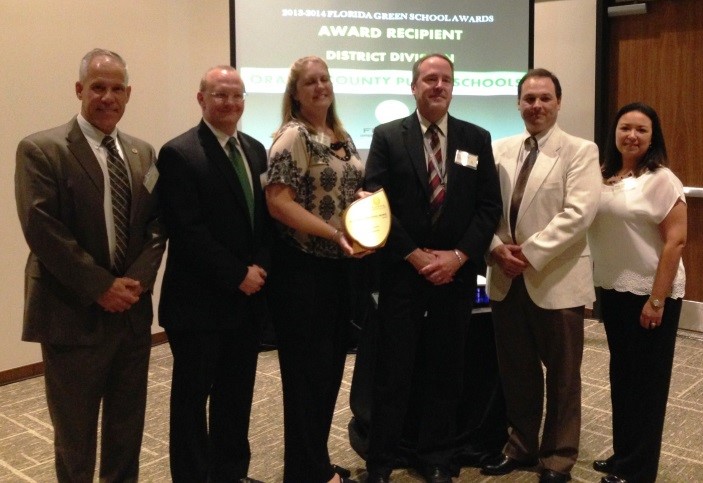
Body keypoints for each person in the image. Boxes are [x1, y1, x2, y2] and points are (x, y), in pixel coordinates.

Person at [14, 48, 166, 482]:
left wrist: (134, 283)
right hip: (71, 316)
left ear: (128, 93)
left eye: (117, 88)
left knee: (126, 431)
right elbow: (42, 230)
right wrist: (101, 286)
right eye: (98, 87)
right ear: (79, 89)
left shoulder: (142, 153)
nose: (108, 96)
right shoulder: (41, 149)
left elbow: (156, 226)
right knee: (75, 438)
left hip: (131, 317)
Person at [363, 53, 502, 483]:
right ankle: (381, 460)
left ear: (453, 86)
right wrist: (416, 255)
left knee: (446, 370)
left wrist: (457, 257)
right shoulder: (388, 136)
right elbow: (375, 199)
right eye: (429, 79)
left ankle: (437, 456)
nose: (437, 86)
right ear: (414, 87)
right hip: (404, 273)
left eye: (445, 79)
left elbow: (488, 208)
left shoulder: (476, 138)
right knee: (394, 371)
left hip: (455, 277)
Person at [483, 68, 601, 483]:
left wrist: (528, 255)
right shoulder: (499, 149)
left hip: (556, 279)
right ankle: (521, 446)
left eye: (545, 98)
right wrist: (498, 250)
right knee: (517, 372)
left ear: (558, 103)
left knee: (564, 377)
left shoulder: (580, 151)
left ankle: (557, 458)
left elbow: (578, 215)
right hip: (504, 276)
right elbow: (485, 210)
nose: (536, 106)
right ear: (517, 103)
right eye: (529, 98)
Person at [157, 65, 270, 483]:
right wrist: (237, 273)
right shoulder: (179, 153)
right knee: (191, 403)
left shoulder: (256, 150)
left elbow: (264, 221)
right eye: (220, 95)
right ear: (201, 99)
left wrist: (259, 268)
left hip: (247, 301)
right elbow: (187, 232)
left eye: (237, 95)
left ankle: (231, 474)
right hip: (198, 306)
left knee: (235, 398)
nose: (230, 103)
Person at [265, 55, 366, 483]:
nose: (320, 86)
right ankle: (307, 472)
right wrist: (331, 232)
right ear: (295, 92)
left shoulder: (339, 135)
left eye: (325, 79)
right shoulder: (294, 137)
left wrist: (364, 208)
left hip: (339, 270)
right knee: (307, 379)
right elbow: (278, 202)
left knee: (326, 376)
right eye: (310, 82)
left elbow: (350, 187)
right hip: (303, 272)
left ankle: (312, 466)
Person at [588, 102, 686, 483]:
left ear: (652, 137)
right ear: (614, 133)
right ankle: (624, 454)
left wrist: (657, 299)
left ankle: (638, 471)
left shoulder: (662, 179)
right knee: (622, 376)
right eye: (625, 127)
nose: (631, 135)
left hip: (652, 293)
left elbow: (676, 242)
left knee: (647, 385)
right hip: (614, 289)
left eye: (641, 130)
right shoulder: (604, 174)